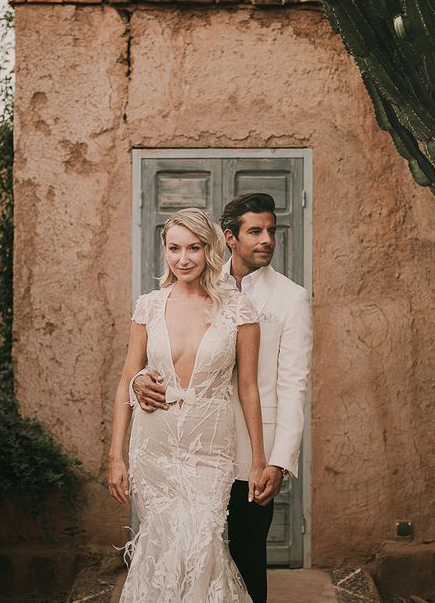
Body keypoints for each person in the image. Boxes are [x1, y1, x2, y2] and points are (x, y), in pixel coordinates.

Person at [132, 192, 312, 603]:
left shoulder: (290, 298)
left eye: (271, 230)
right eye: (255, 231)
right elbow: (163, 351)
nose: (266, 239)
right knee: (187, 551)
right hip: (190, 446)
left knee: (247, 554)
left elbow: (292, 385)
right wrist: (140, 380)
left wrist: (278, 461)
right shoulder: (195, 281)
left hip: (253, 450)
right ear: (229, 238)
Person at [108, 207, 265, 602]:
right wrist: (116, 457)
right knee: (160, 548)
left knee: (202, 544)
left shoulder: (238, 309)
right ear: (164, 250)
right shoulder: (148, 306)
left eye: (194, 248)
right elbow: (128, 377)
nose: (183, 259)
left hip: (209, 452)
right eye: (174, 248)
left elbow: (248, 388)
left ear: (209, 250)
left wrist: (259, 459)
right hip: (154, 448)